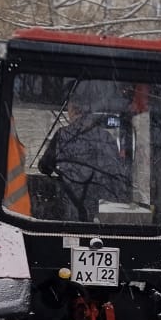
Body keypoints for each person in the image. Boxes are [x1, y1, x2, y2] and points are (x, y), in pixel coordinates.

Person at [38, 81, 130, 222]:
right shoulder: (106, 137)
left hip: (71, 206)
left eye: (68, 108)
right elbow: (118, 175)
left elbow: (44, 167)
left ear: (74, 110)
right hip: (103, 210)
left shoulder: (63, 135)